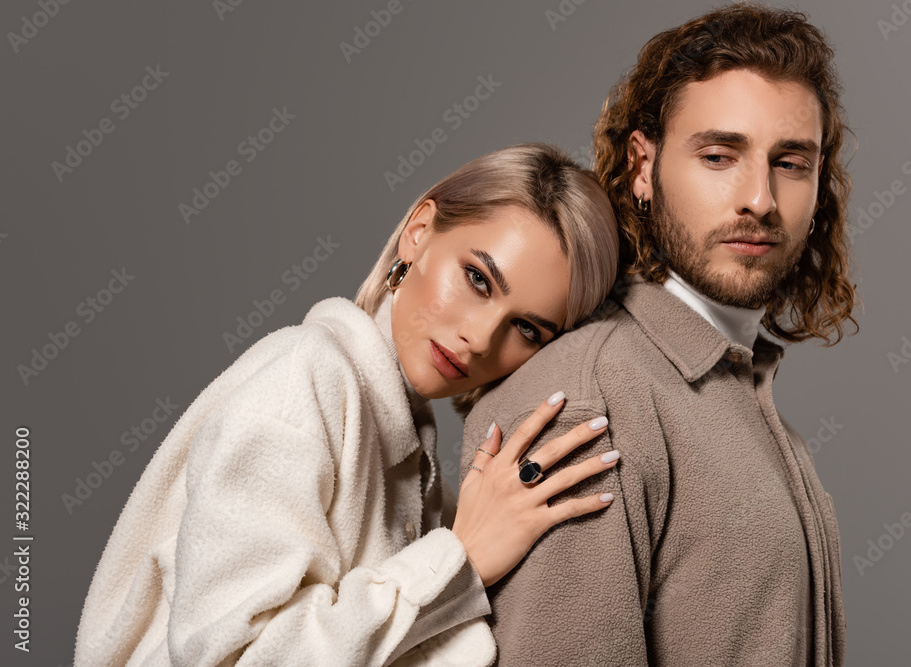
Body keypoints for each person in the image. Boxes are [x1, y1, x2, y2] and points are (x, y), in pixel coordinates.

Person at [74, 143, 621, 666]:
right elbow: (235, 658)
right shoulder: (304, 378)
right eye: (477, 279)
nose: (480, 338)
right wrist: (462, 558)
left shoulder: (413, 456)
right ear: (419, 232)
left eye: (526, 328)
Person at [460, 5, 857, 666]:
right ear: (643, 166)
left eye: (791, 163)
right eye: (719, 155)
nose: (758, 197)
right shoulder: (587, 407)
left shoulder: (736, 384)